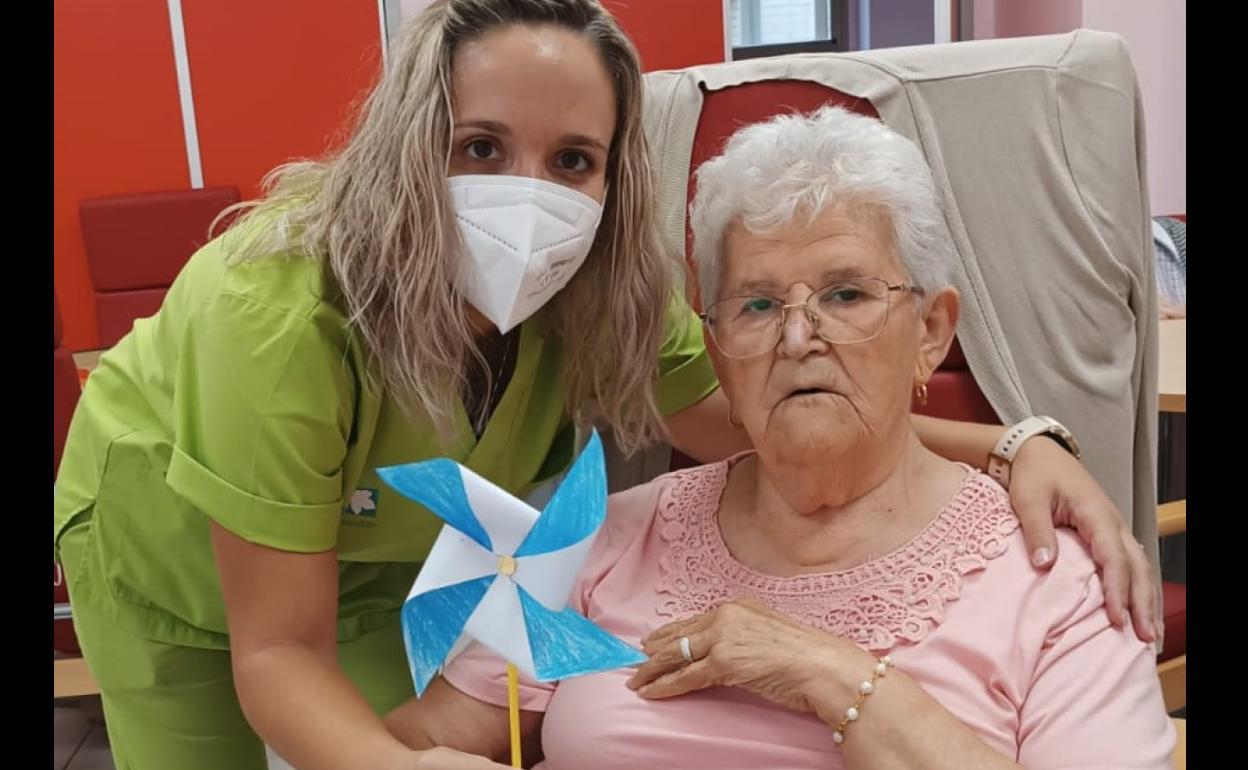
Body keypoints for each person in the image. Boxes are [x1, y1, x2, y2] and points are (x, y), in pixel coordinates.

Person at [53, 2, 1158, 768]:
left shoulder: (602, 288)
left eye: (573, 159)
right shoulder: (280, 314)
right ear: (410, 147)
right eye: (479, 147)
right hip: (176, 567)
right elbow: (281, 654)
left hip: (387, 549)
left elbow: (762, 414)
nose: (527, 194)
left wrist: (1013, 444)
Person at [385, 105, 1174, 770]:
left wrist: (835, 677)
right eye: (757, 306)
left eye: (846, 294)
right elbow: (422, 740)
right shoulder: (603, 538)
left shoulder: (1056, 579)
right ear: (718, 350)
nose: (798, 338)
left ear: (932, 332)